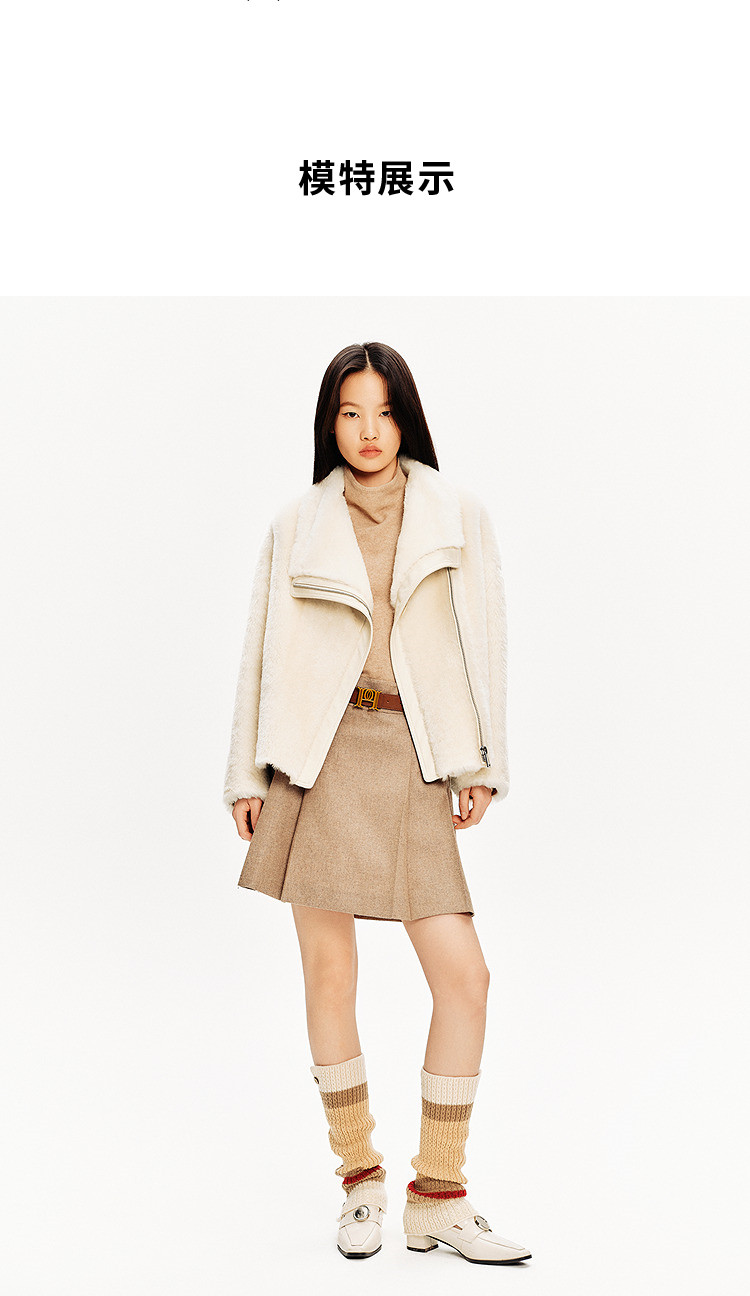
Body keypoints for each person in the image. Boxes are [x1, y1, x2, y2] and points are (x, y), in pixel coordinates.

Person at [223, 341, 531, 1265]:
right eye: (351, 413)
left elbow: (486, 642)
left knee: (465, 976)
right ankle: (360, 1181)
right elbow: (261, 649)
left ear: (408, 417)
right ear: (331, 422)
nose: (369, 431)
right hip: (316, 757)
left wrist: (481, 761)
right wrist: (247, 775)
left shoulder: (455, 514)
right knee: (329, 972)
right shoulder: (298, 523)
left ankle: (439, 1195)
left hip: (412, 753)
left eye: (385, 412)